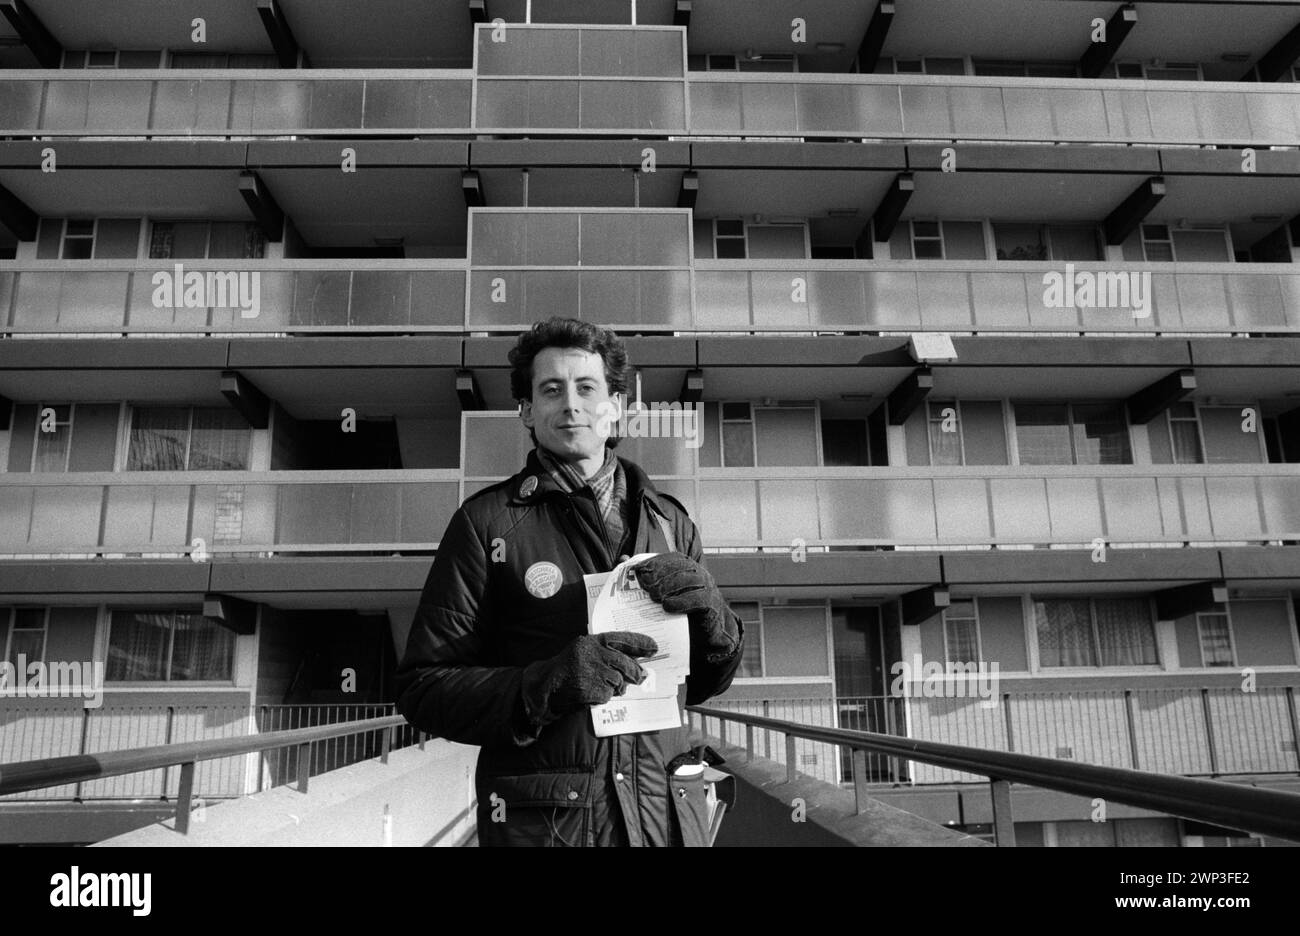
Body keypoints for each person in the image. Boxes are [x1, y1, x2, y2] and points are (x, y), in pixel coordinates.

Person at [396, 317, 744, 847]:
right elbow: (424, 688)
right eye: (550, 390)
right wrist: (546, 685)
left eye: (587, 387)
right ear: (527, 412)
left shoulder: (672, 521)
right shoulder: (485, 523)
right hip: (552, 827)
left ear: (617, 406)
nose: (571, 404)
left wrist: (715, 619)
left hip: (666, 818)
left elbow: (701, 684)